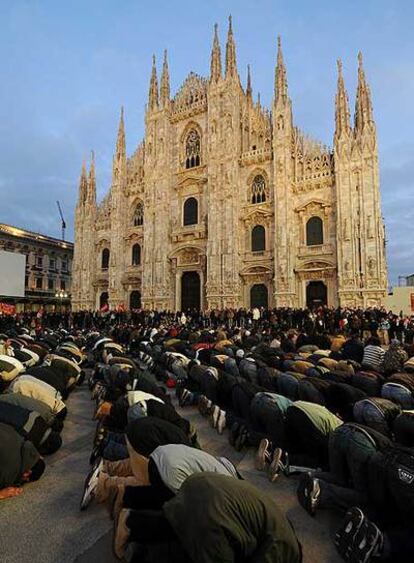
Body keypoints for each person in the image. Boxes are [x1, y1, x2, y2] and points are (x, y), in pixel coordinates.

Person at [115, 473, 303, 562]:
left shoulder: (276, 522)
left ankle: (133, 524)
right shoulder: (284, 551)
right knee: (208, 542)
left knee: (179, 523)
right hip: (214, 513)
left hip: (200, 483)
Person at [0, 422, 45, 500]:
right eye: (24, 480)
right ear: (27, 473)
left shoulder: (18, 437)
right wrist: (2, 494)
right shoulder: (7, 475)